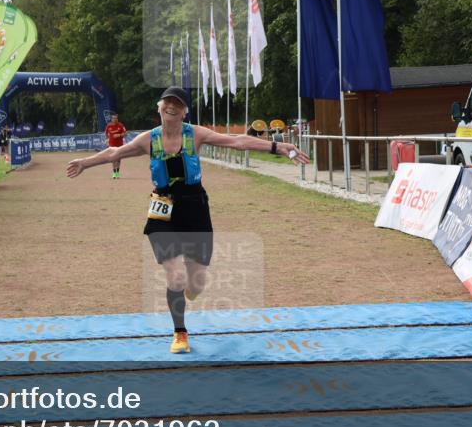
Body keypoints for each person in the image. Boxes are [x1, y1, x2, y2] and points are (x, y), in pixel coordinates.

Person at [67, 87, 309, 354]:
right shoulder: (149, 140)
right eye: (167, 102)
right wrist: (85, 162)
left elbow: (238, 141)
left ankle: (191, 291)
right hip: (162, 209)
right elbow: (114, 153)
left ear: (185, 111)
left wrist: (277, 146)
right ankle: (180, 332)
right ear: (158, 107)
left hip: (195, 208)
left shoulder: (195, 134)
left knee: (196, 283)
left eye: (178, 104)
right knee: (176, 276)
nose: (172, 106)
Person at [104, 113, 128, 178]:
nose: (115, 119)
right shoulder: (108, 126)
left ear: (117, 119)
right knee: (113, 158)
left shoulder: (121, 125)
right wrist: (106, 140)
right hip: (112, 145)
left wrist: (120, 135)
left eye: (116, 118)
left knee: (118, 159)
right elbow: (106, 133)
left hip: (120, 145)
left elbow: (126, 133)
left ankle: (118, 172)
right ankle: (114, 173)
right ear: (111, 119)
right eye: (113, 118)